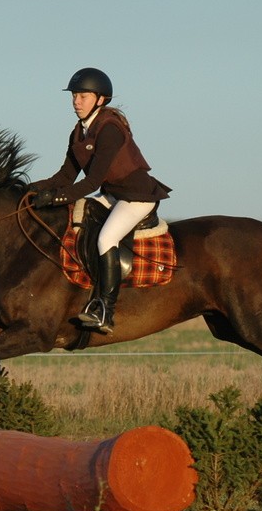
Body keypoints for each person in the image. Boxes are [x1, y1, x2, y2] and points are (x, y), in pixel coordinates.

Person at [30, 67, 171, 334]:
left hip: (135, 197)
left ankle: (105, 310)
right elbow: (65, 175)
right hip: (113, 195)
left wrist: (55, 197)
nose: (76, 102)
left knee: (106, 238)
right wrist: (30, 189)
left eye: (83, 96)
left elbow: (92, 182)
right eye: (74, 96)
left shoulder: (110, 129)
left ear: (101, 99)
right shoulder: (79, 131)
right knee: (77, 219)